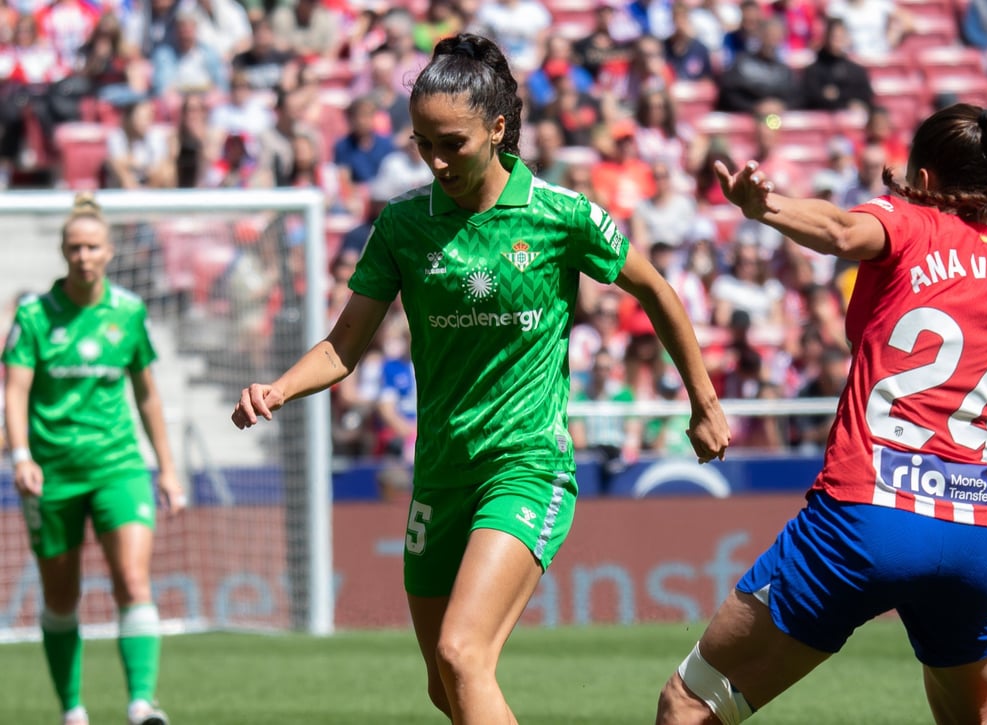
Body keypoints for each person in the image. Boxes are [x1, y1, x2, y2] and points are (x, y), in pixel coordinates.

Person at [231, 33, 731, 723]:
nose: (436, 161)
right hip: (440, 473)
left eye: (452, 143)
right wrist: (279, 388)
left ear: (498, 129)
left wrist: (703, 402)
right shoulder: (403, 225)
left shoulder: (560, 214)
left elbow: (658, 292)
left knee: (463, 656)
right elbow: (344, 344)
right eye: (422, 144)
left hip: (526, 466)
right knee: (447, 681)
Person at [655, 104, 987, 725]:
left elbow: (841, 231)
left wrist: (764, 208)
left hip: (869, 513)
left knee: (691, 703)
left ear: (922, 180)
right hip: (975, 525)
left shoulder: (911, 224)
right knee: (982, 718)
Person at [3, 193, 185, 725]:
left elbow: (147, 394)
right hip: (52, 473)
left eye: (92, 247)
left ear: (109, 252)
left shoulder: (128, 312)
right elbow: (14, 391)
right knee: (62, 595)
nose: (83, 256)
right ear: (63, 252)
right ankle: (72, 710)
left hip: (118, 467)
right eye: (74, 247)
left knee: (132, 578)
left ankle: (141, 704)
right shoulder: (34, 316)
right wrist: (20, 455)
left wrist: (167, 468)